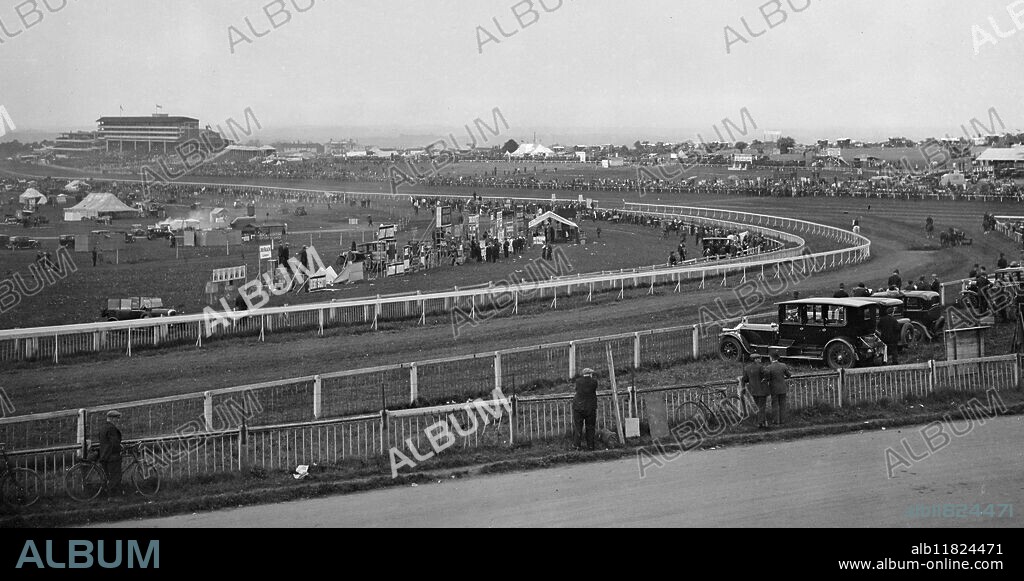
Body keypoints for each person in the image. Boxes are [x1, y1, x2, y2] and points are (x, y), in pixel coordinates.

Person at [97, 410, 123, 499]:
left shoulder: (103, 427)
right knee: (115, 477)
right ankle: (113, 498)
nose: (118, 420)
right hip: (112, 456)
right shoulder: (111, 428)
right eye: (116, 418)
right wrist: (121, 449)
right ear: (111, 418)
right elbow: (114, 443)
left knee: (109, 477)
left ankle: (109, 496)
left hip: (104, 456)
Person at [572, 368, 599, 451]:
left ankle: (577, 446)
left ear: (583, 374)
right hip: (590, 407)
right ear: (590, 374)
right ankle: (590, 446)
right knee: (590, 427)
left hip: (578, 407)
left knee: (578, 427)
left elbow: (576, 390)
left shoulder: (578, 381)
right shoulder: (594, 382)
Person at [742, 356, 770, 429]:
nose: (760, 360)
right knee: (762, 407)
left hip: (754, 391)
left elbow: (744, 379)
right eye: (759, 358)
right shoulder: (760, 367)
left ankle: (763, 422)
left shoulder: (747, 368)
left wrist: (743, 388)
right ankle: (760, 423)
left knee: (759, 407)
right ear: (755, 359)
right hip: (762, 390)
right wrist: (765, 378)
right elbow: (767, 372)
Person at [764, 353, 791, 426]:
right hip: (783, 387)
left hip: (774, 388)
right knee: (782, 404)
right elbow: (789, 375)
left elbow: (767, 378)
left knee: (775, 404)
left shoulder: (769, 367)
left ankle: (776, 421)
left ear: (771, 358)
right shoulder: (783, 365)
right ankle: (783, 420)